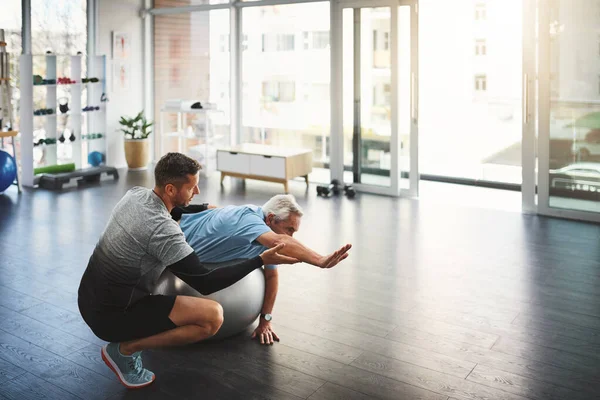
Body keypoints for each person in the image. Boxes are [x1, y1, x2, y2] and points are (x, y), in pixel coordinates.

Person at [77, 152, 297, 389]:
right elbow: (205, 282)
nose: (197, 191)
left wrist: (207, 209)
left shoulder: (136, 195)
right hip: (111, 318)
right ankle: (124, 351)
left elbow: (176, 211)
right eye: (193, 186)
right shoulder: (163, 231)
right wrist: (259, 259)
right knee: (212, 317)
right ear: (171, 189)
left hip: (88, 298)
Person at [172, 194, 352, 345]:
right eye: (289, 229)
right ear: (271, 218)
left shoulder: (266, 237)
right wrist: (319, 260)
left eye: (294, 231)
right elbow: (280, 241)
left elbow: (271, 275)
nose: (290, 236)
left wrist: (265, 320)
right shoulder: (250, 219)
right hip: (171, 235)